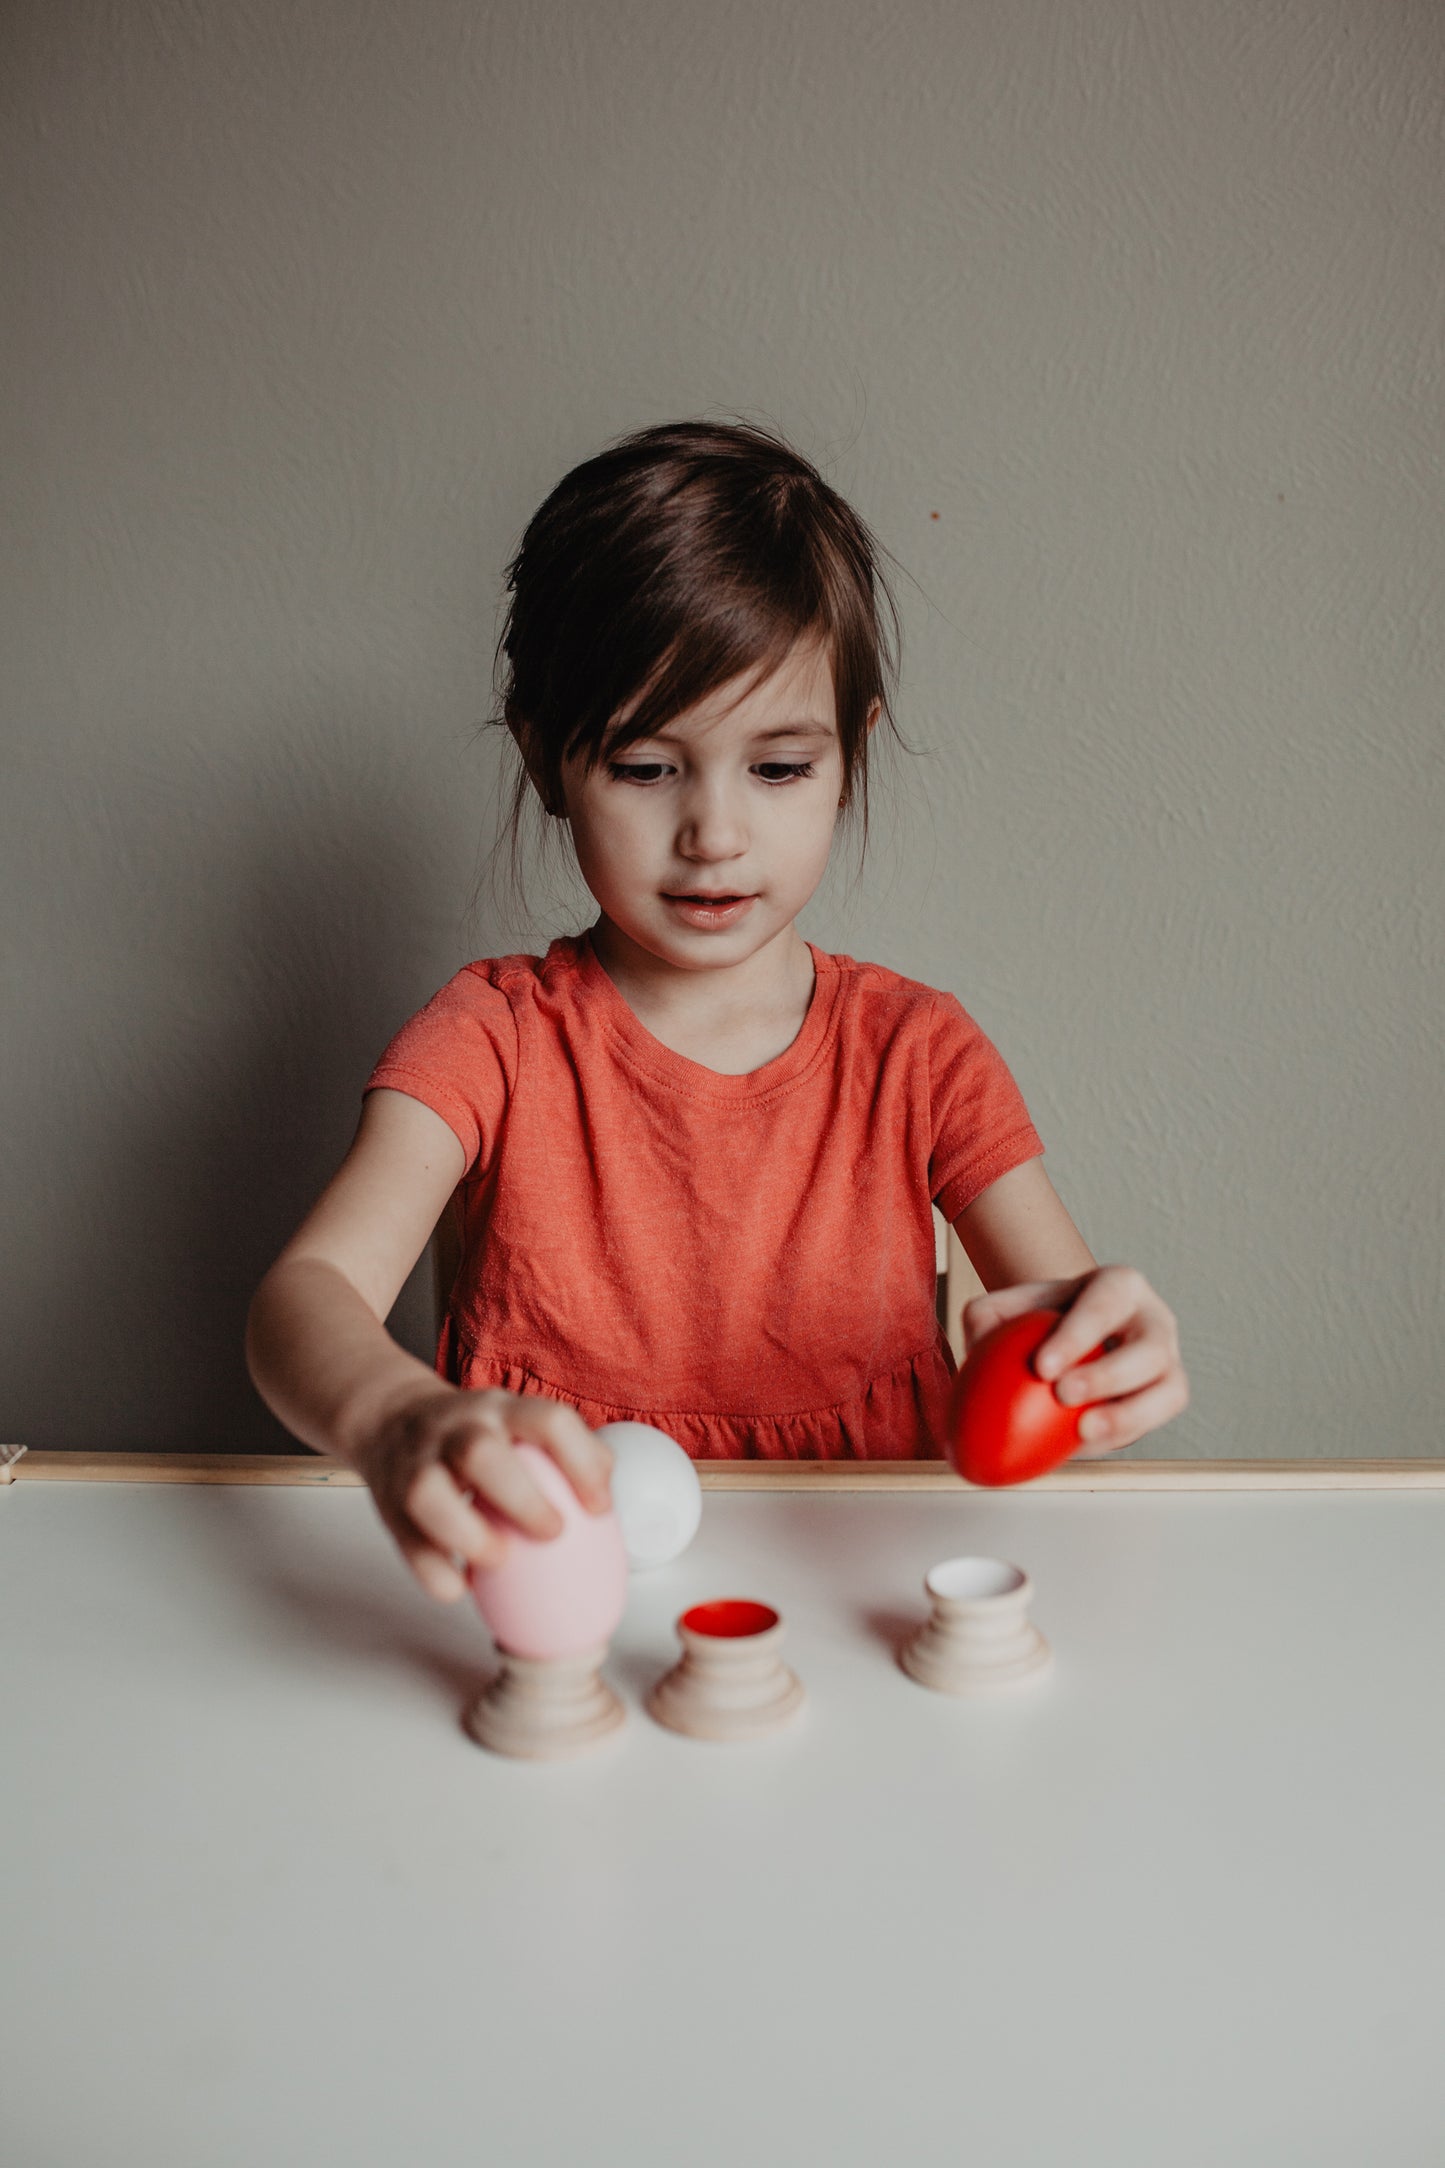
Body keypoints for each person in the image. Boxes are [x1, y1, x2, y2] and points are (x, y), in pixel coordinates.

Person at [245, 418, 1188, 1602]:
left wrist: (1095, 1352)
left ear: (852, 751)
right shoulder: (490, 1036)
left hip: (857, 1599)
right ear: (543, 759)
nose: (714, 833)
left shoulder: (919, 1054)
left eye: (779, 767)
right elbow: (303, 1298)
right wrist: (391, 1416)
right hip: (554, 1596)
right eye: (645, 767)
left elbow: (1059, 1333)